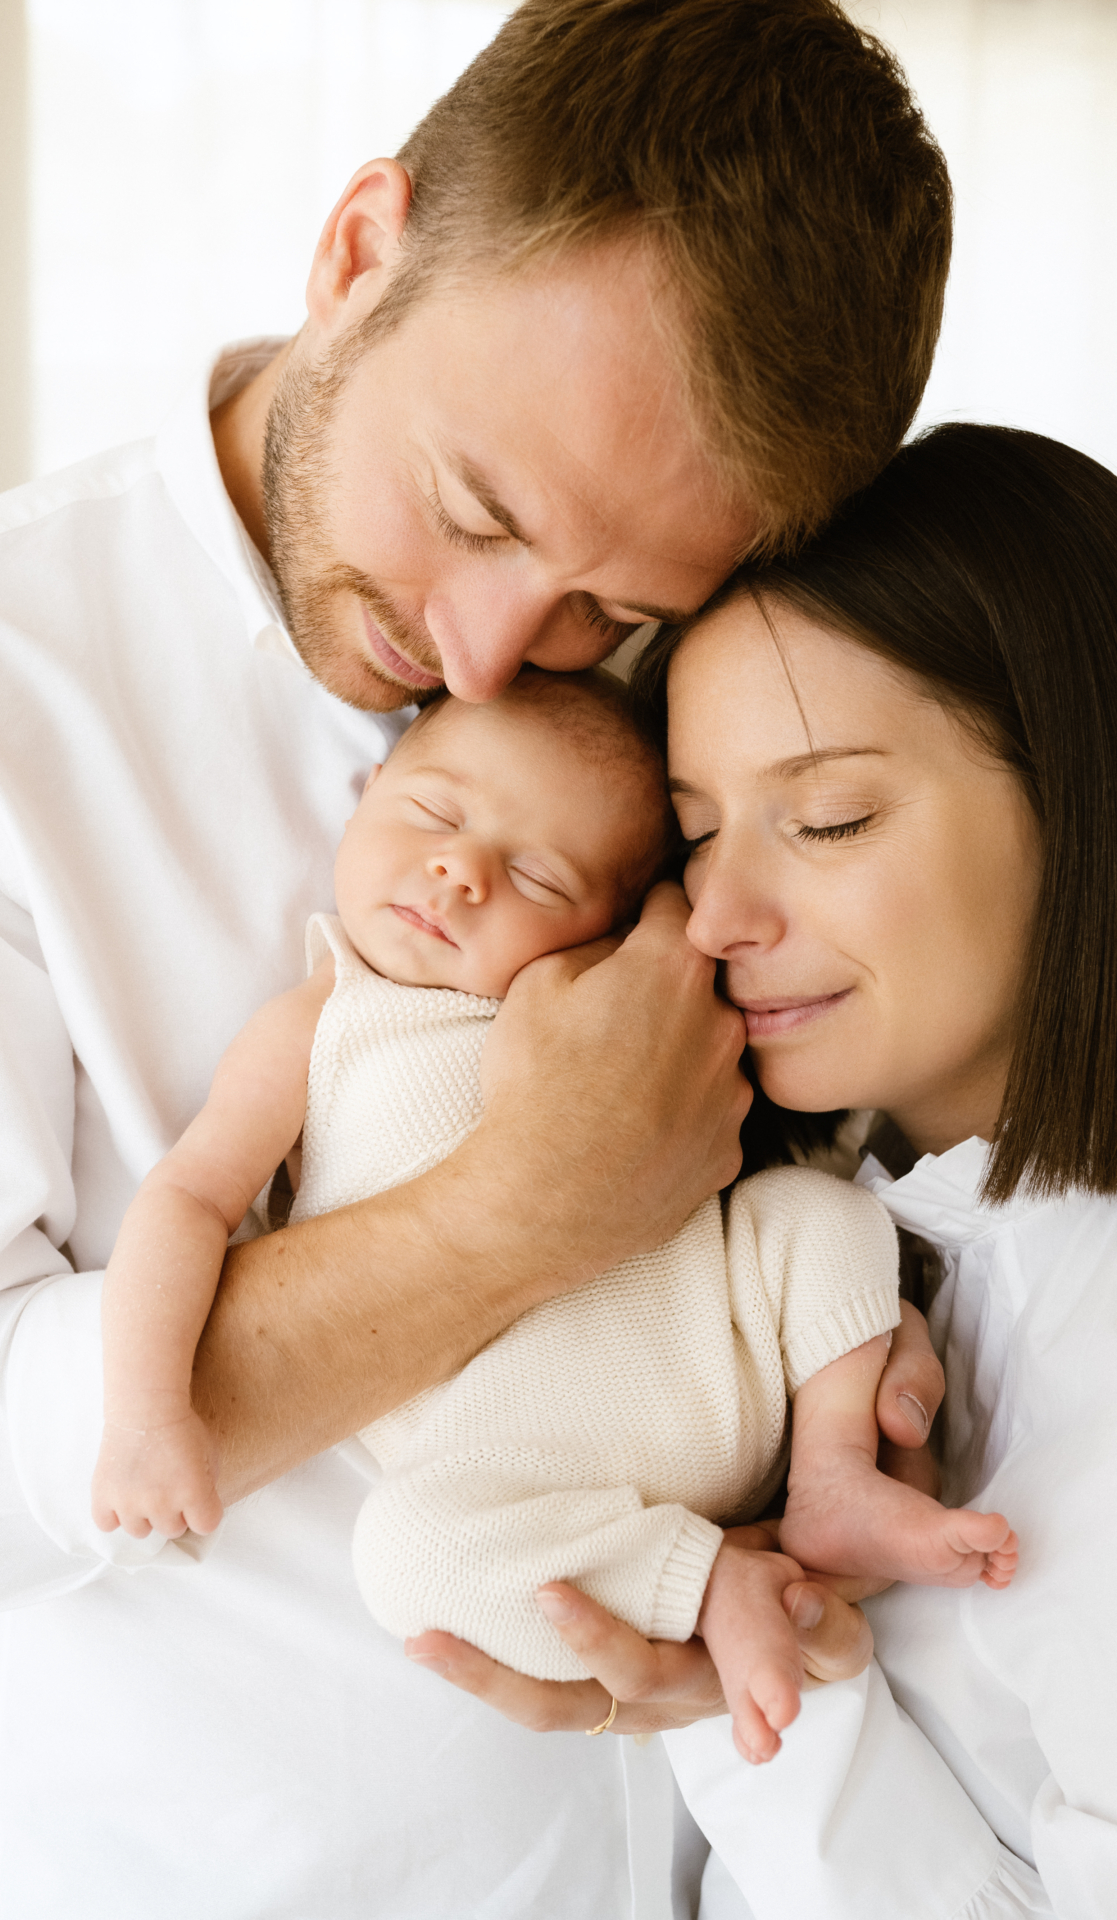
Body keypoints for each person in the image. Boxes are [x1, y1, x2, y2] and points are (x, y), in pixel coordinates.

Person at [0, 3, 954, 1913]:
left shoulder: (728, 669)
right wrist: (514, 1211)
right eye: (473, 511)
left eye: (614, 604)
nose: (494, 651)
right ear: (359, 249)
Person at [90, 665, 1015, 1764]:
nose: (459, 871)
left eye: (535, 874)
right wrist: (149, 1413)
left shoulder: (606, 1006)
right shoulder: (325, 1021)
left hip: (713, 1359)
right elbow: (188, 1200)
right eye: (433, 813)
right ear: (368, 788)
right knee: (406, 1557)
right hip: (522, 1472)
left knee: (813, 1216)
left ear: (615, 921)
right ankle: (710, 1579)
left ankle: (830, 1479)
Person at [435, 422, 1114, 1917]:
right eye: (691, 836)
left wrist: (760, 1705)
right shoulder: (839, 1249)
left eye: (828, 819)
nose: (719, 913)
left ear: (1079, 790)